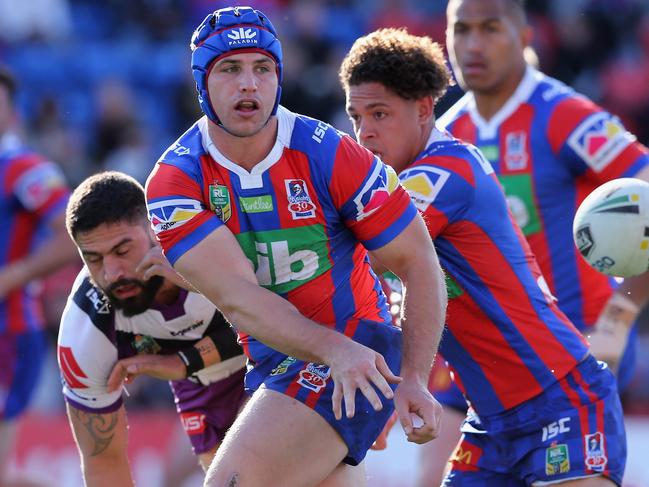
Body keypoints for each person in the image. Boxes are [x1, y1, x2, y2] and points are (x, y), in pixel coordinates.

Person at [145, 6, 448, 487]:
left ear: (279, 78)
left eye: (262, 68)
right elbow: (242, 300)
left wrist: (412, 376)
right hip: (286, 359)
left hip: (358, 346)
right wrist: (333, 353)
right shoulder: (174, 183)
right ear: (202, 83)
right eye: (229, 68)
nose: (249, 84)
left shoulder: (331, 153)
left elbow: (418, 261)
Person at [340, 27, 626, 486]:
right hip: (489, 423)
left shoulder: (442, 173)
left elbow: (361, 256)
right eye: (356, 116)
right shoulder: (401, 184)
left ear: (423, 109)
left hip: (561, 397)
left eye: (380, 114)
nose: (365, 132)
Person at [439, 0, 649, 392]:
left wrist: (619, 316)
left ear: (524, 37)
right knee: (434, 453)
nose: (473, 45)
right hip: (485, 352)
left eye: (490, 28)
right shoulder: (445, 133)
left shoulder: (565, 115)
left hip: (577, 342)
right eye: (461, 30)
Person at [58, 171, 248, 486]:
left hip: (277, 359)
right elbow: (104, 463)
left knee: (259, 472)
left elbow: (290, 317)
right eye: (93, 258)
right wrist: (187, 364)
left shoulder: (209, 240)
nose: (112, 273)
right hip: (203, 388)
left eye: (122, 251)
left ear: (155, 229)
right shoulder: (87, 328)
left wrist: (183, 362)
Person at [0, 65, 79, 486]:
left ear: (12, 114)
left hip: (7, 334)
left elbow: (73, 231)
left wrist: (12, 277)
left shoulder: (20, 167)